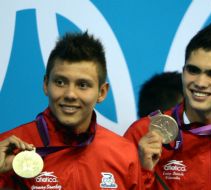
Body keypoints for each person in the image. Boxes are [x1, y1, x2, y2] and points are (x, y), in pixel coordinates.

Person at [0, 32, 142, 189]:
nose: (70, 95)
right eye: (60, 82)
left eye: (83, 85)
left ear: (101, 92)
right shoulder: (7, 149)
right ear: (46, 84)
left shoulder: (124, 153)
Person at [124, 21, 211, 189]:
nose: (200, 82)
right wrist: (144, 170)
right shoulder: (142, 134)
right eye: (193, 70)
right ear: (183, 71)